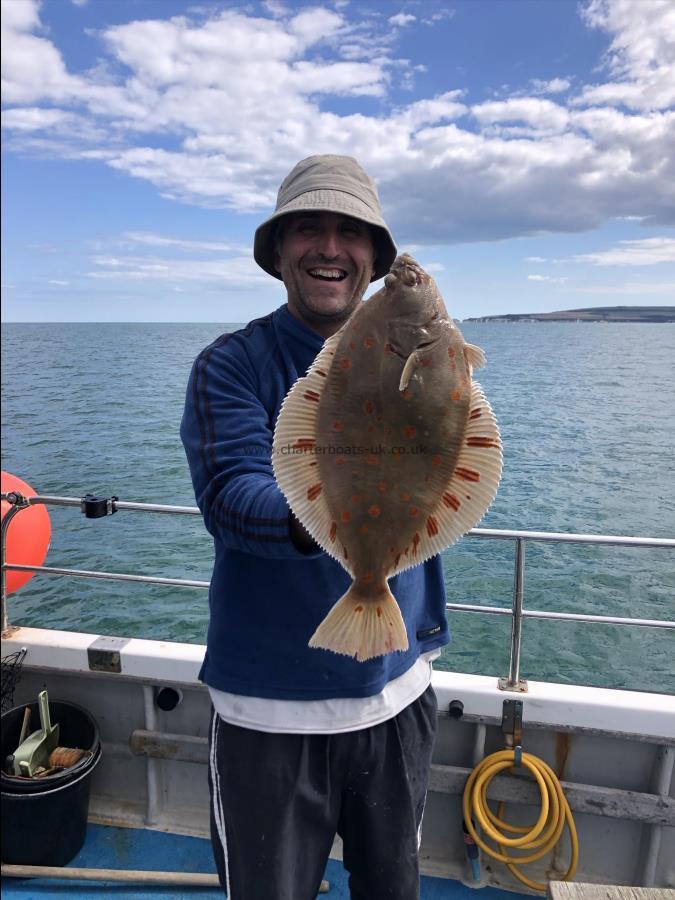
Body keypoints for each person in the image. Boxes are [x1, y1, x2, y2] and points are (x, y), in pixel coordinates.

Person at [181, 155, 450, 900]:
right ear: (277, 252)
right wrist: (338, 514)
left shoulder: (425, 359)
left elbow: (455, 461)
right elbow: (231, 498)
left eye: (349, 231)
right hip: (267, 709)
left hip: (397, 691)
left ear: (374, 256)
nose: (329, 247)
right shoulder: (230, 365)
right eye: (308, 228)